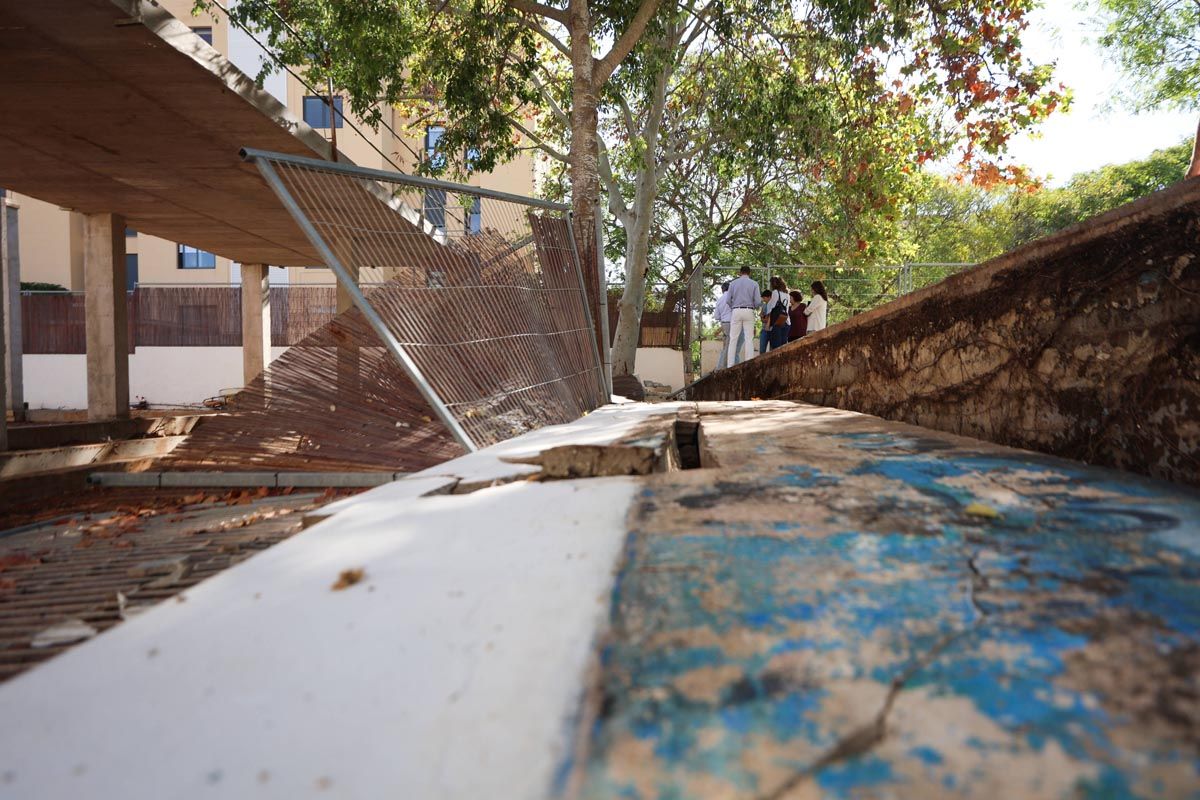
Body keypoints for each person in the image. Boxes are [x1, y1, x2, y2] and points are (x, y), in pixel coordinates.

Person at [725, 266, 759, 366]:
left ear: (740, 273)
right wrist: (753, 307)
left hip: (736, 310)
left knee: (733, 339)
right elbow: (757, 301)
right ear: (749, 273)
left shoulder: (733, 283)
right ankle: (749, 364)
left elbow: (728, 300)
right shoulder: (754, 284)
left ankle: (730, 365)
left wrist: (734, 307)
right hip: (749, 310)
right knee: (749, 338)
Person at [765, 276, 790, 350]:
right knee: (783, 347)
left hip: (777, 322)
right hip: (786, 321)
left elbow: (772, 309)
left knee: (776, 347)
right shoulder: (787, 294)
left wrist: (768, 324)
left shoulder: (775, 292)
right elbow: (786, 309)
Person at [714, 282, 733, 371]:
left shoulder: (719, 300)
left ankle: (720, 367)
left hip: (724, 324)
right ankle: (722, 367)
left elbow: (716, 316)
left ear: (722, 290)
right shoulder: (732, 298)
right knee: (729, 347)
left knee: (726, 346)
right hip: (732, 323)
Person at [758, 290, 773, 355]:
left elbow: (766, 319)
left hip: (772, 330)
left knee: (772, 351)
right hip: (764, 330)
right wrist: (763, 317)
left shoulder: (773, 305)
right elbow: (761, 315)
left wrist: (764, 317)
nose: (763, 300)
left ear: (769, 297)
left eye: (764, 298)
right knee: (762, 350)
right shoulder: (764, 305)